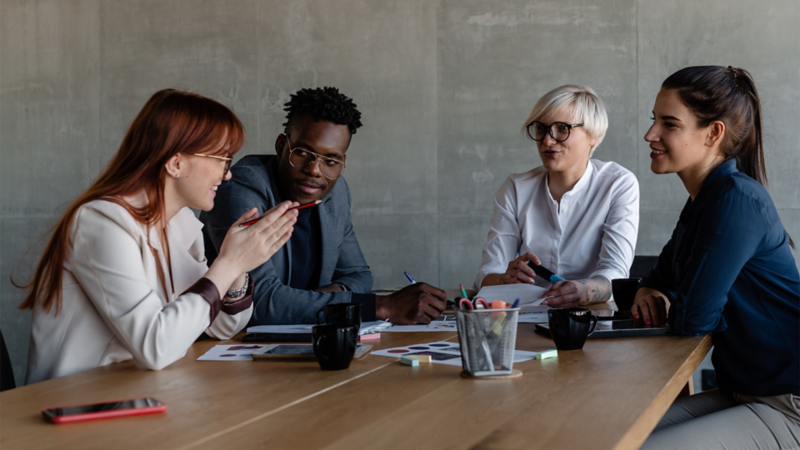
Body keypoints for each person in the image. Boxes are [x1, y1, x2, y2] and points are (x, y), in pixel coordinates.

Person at [18, 89, 298, 384]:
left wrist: (238, 268)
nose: (227, 174)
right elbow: (155, 346)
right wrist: (228, 263)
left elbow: (222, 326)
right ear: (176, 163)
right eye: (222, 160)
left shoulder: (180, 222)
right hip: (76, 404)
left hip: (138, 392)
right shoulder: (101, 222)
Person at [635, 66, 800, 449]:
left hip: (787, 401)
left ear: (713, 133)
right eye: (653, 120)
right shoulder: (706, 199)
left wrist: (672, 297)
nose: (650, 134)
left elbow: (694, 318)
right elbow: (659, 277)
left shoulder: (735, 201)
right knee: (611, 435)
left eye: (669, 124)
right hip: (744, 390)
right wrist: (650, 290)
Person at [201, 87, 446, 325]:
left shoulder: (335, 193)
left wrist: (313, 301)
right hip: (227, 350)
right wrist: (378, 307)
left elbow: (359, 276)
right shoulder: (239, 190)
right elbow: (261, 302)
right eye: (302, 152)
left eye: (330, 160)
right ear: (280, 146)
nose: (315, 170)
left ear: (342, 162)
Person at [474, 85, 639, 307]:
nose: (547, 141)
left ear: (594, 135)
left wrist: (580, 290)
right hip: (525, 314)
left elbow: (615, 274)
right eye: (541, 128)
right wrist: (504, 279)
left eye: (562, 128)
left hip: (590, 315)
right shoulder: (516, 188)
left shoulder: (618, 184)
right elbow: (487, 274)